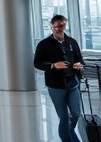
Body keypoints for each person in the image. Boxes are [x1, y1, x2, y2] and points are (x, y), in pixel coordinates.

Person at [34, 14, 85, 142]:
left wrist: (80, 65)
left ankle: (68, 133)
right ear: (51, 27)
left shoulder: (72, 42)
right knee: (64, 117)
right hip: (56, 87)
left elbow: (80, 59)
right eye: (56, 26)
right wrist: (53, 65)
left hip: (73, 84)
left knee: (76, 114)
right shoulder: (44, 44)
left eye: (62, 25)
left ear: (65, 25)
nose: (59, 28)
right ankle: (68, 139)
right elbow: (37, 63)